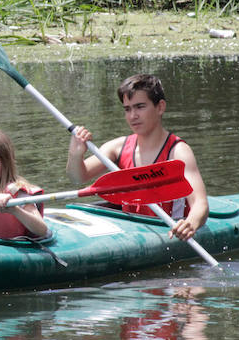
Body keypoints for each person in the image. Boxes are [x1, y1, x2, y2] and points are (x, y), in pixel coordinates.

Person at [66, 74, 208, 241]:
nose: (132, 116)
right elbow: (77, 177)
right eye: (127, 109)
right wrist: (75, 153)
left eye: (140, 107)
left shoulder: (178, 152)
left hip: (169, 231)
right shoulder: (117, 148)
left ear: (160, 107)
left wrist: (190, 224)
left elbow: (200, 204)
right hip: (133, 233)